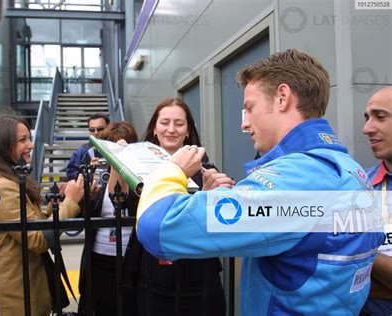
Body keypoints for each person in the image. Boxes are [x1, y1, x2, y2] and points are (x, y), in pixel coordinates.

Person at [135, 49, 384, 315]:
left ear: (282, 98)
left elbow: (158, 227)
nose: (244, 124)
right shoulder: (353, 171)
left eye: (250, 107)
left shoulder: (295, 181)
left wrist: (170, 169)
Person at [0, 114, 84, 315]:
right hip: (11, 297)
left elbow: (33, 223)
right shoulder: (1, 187)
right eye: (22, 140)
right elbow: (37, 238)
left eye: (28, 138)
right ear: (0, 146)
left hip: (20, 288)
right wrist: (70, 202)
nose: (30, 145)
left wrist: (57, 204)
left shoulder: (10, 180)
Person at [129, 98, 226, 316]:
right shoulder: (136, 170)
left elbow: (218, 223)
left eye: (179, 123)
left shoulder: (207, 172)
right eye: (164, 122)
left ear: (188, 130)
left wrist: (212, 197)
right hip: (152, 275)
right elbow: (125, 205)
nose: (171, 129)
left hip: (199, 276)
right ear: (154, 128)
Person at [77, 121, 139, 316]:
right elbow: (81, 218)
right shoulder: (97, 177)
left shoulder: (141, 178)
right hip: (100, 257)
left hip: (131, 259)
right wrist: (85, 192)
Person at [362, 86, 392, 315]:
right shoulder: (358, 186)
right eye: (367, 118)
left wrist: (358, 248)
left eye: (380, 117)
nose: (367, 129)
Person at [66, 113, 110, 180]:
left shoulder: (116, 147)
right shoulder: (83, 150)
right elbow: (71, 173)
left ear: (108, 128)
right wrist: (88, 170)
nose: (96, 133)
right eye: (92, 130)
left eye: (100, 129)